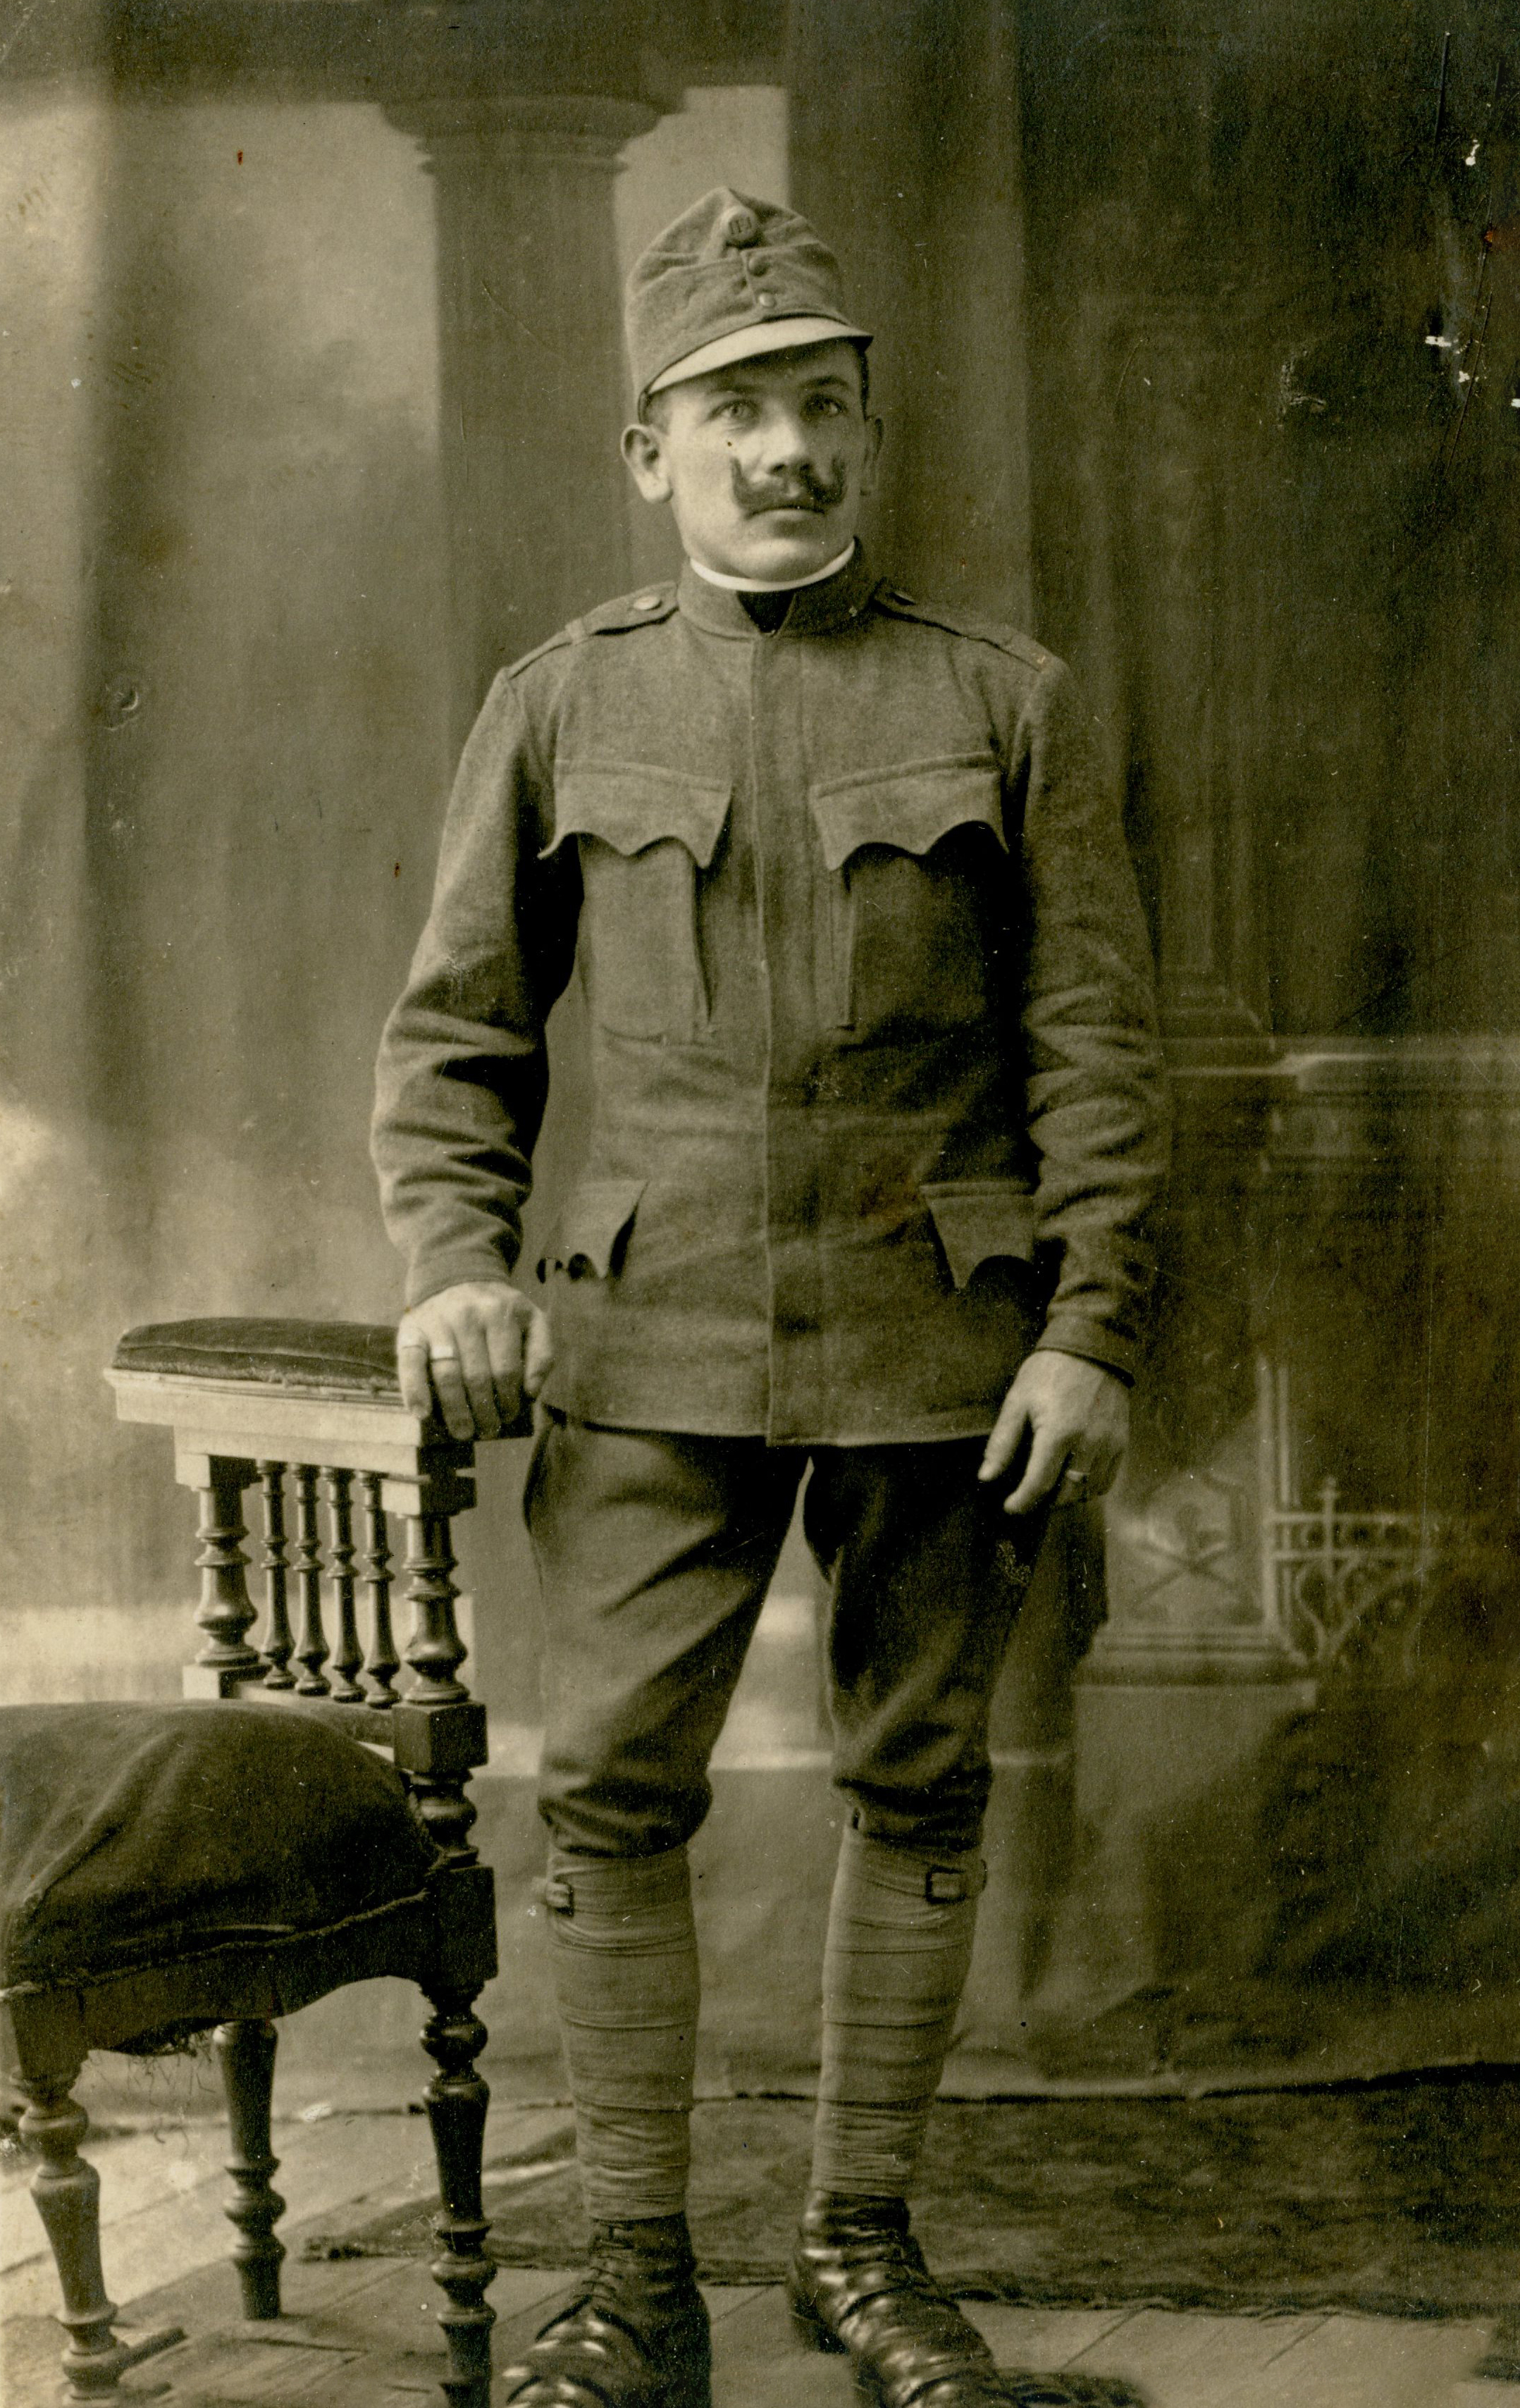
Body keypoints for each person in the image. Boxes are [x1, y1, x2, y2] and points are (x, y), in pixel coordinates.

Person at [372, 188, 1167, 2408]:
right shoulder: (561, 702)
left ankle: (860, 2248)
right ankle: (636, 2276)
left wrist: (1090, 1324)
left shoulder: (1004, 699)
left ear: (867, 436)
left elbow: (1095, 1048)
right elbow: (456, 1040)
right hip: (655, 1334)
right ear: (651, 450)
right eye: (733, 409)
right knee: (613, 1792)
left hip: (944, 1346)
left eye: (820, 403)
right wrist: (453, 1263)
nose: (785, 448)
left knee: (922, 1780)